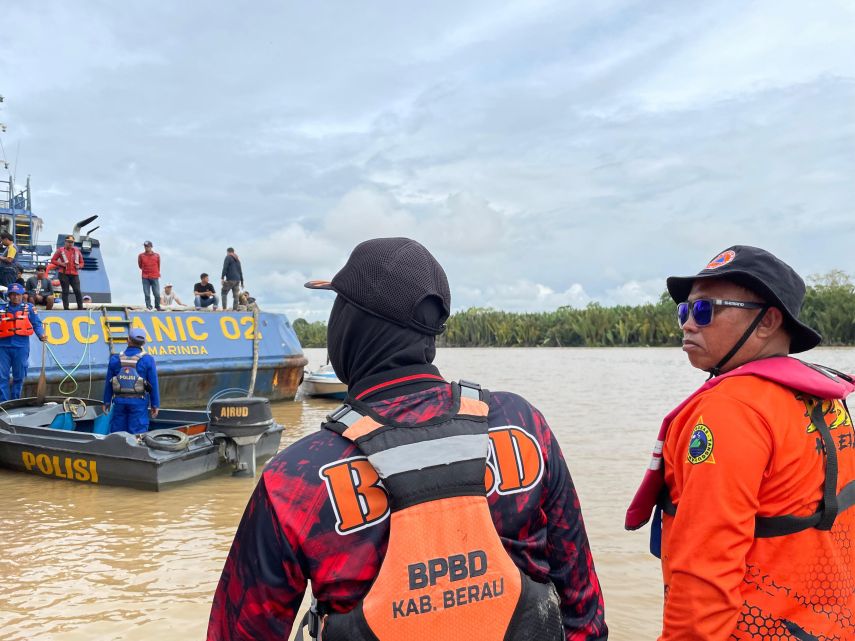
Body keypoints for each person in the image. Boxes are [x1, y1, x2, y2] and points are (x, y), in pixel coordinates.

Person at [207, 237, 607, 641]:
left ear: (353, 322)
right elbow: (583, 608)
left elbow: (238, 632)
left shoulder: (296, 478)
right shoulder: (524, 425)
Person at [625, 245, 855, 641]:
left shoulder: (728, 412)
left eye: (704, 310)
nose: (687, 324)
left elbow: (704, 575)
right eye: (685, 311)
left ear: (767, 321)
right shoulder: (826, 400)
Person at [103, 327, 159, 434]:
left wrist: (106, 402)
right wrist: (155, 405)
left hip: (119, 402)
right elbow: (153, 385)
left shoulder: (115, 359)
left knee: (118, 433)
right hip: (139, 403)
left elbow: (109, 382)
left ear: (128, 340)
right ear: (144, 343)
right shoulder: (148, 360)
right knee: (137, 433)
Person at [0, 283, 46, 401]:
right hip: (3, 347)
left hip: (21, 347)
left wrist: (41, 334)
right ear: (9, 296)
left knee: (19, 376)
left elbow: (36, 323)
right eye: (13, 295)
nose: (16, 297)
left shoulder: (29, 308)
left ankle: (15, 401)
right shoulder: (1, 308)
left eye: (18, 294)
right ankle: (3, 404)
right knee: (1, 377)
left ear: (22, 295)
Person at [48, 234, 84, 310]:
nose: (70, 243)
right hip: (63, 274)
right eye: (69, 242)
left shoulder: (77, 251)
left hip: (74, 274)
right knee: (65, 291)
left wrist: (79, 266)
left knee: (77, 291)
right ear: (65, 242)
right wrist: (61, 264)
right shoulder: (60, 250)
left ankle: (80, 307)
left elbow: (82, 263)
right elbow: (53, 260)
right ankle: (66, 308)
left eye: (72, 242)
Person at [138, 240, 162, 311]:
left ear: (151, 247)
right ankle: (149, 306)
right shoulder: (141, 256)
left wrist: (156, 272)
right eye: (145, 246)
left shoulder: (157, 255)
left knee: (157, 294)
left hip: (154, 276)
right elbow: (140, 265)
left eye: (147, 246)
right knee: (147, 294)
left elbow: (158, 265)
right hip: (145, 277)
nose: (146, 248)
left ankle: (157, 306)